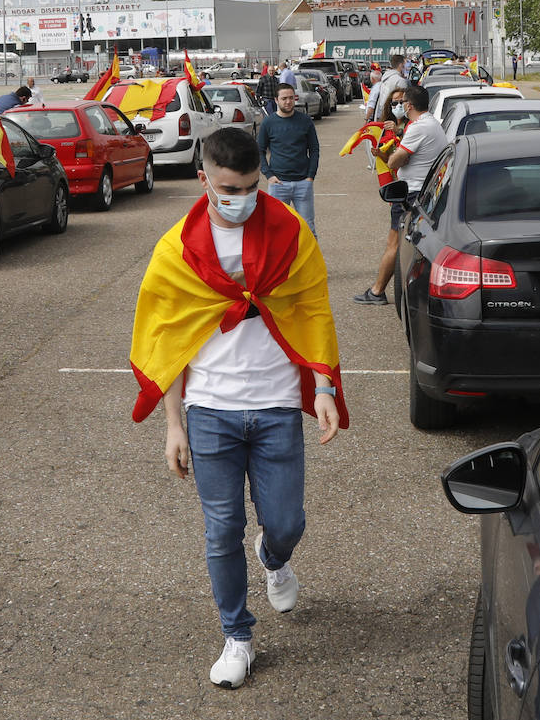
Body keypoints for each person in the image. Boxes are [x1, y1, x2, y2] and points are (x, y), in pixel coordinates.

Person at [129, 128, 347, 689]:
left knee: (286, 522)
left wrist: (323, 385)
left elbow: (314, 307)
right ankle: (237, 635)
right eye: (229, 188)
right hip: (209, 410)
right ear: (204, 180)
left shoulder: (289, 232)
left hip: (275, 405)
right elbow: (166, 340)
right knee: (220, 530)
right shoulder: (176, 248)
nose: (243, 197)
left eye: (252, 186)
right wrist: (173, 424)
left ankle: (274, 557)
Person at [354, 84, 445, 305]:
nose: (399, 106)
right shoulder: (431, 124)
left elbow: (396, 161)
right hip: (426, 192)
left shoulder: (417, 128)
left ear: (409, 105)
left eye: (401, 102)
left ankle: (377, 292)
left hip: (411, 193)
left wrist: (386, 153)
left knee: (393, 244)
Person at [257, 83, 320, 236]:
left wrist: (310, 176)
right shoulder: (268, 123)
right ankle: (280, 260)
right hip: (278, 184)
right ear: (276, 100)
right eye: (284, 98)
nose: (288, 102)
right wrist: (269, 175)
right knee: (276, 229)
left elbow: (314, 149)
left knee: (308, 228)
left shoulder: (305, 121)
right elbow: (259, 151)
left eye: (291, 98)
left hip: (303, 183)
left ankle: (309, 260)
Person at [366, 53, 409, 125]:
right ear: (401, 65)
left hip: (384, 115)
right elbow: (404, 101)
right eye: (405, 65)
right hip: (395, 118)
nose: (406, 68)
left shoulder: (385, 79)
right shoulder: (400, 81)